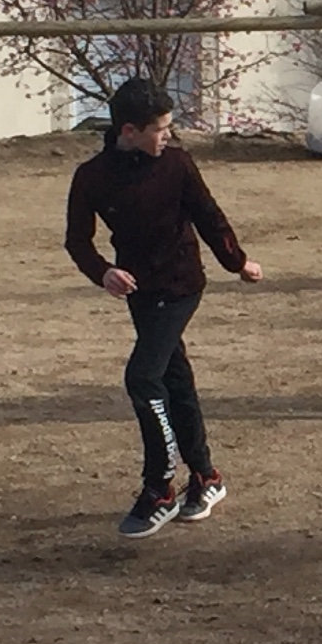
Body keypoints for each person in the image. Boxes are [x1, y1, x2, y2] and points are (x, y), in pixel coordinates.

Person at [65, 77, 264, 539]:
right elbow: (77, 240)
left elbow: (210, 218)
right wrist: (103, 272)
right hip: (139, 292)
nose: (168, 136)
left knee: (143, 376)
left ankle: (159, 487)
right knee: (174, 379)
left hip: (180, 286)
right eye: (160, 129)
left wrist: (237, 263)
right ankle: (206, 476)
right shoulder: (91, 176)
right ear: (129, 131)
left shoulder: (177, 164)